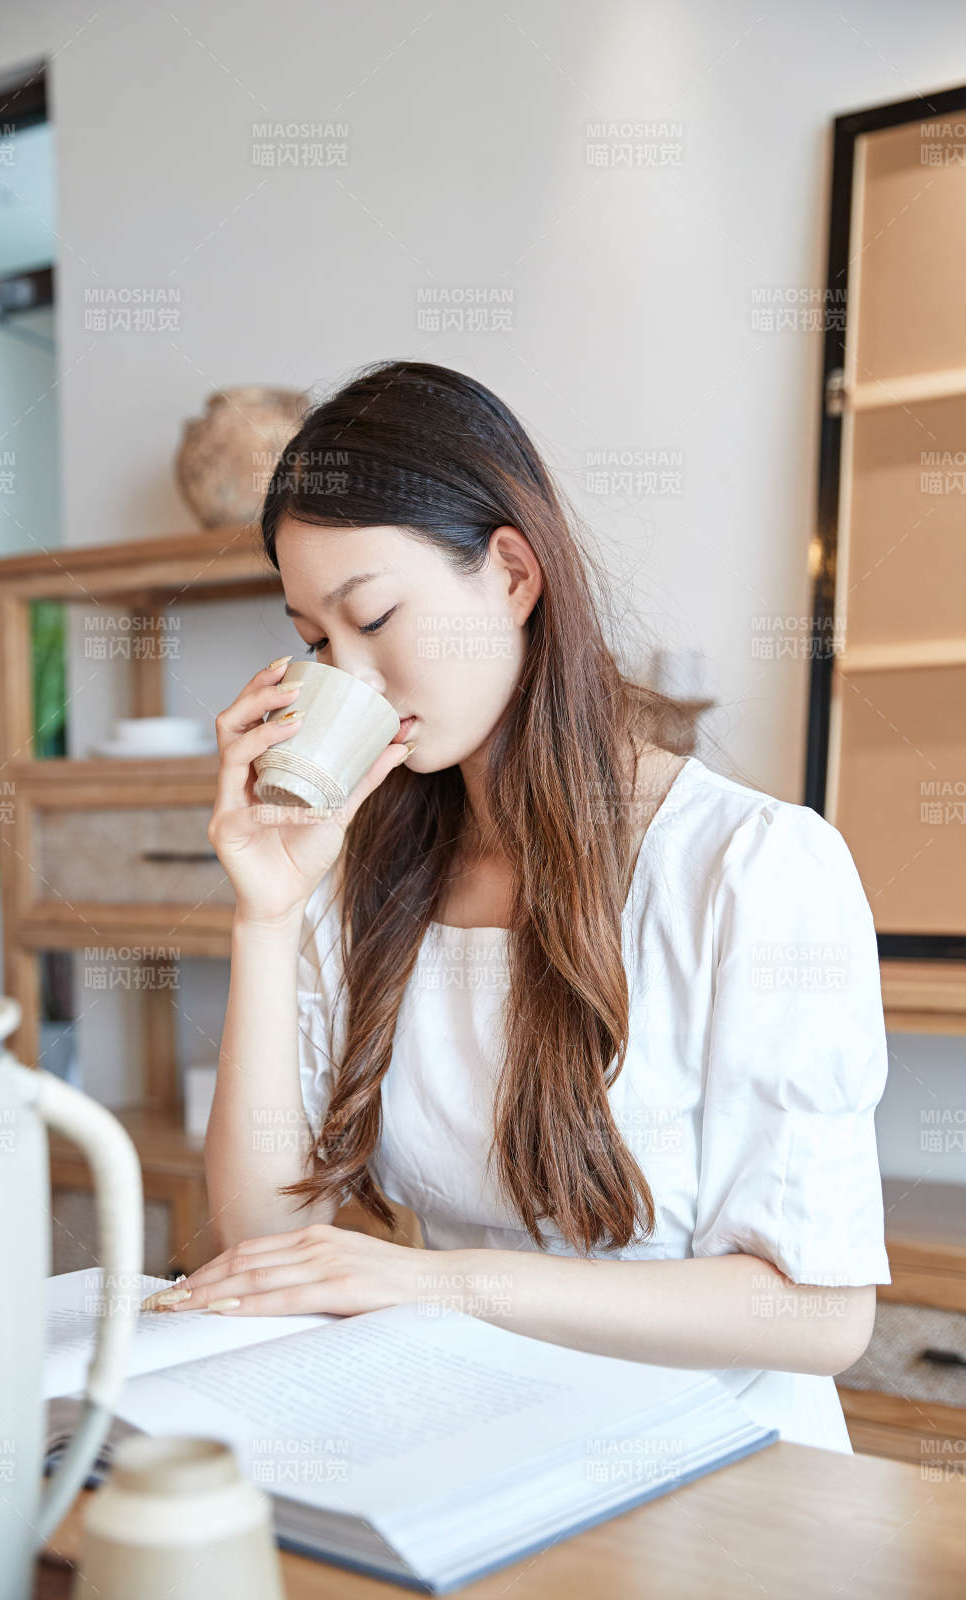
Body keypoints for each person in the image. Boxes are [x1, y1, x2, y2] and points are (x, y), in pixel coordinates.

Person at [153, 360, 890, 1457]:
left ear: (508, 575)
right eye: (315, 643)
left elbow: (817, 1311)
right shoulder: (358, 874)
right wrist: (265, 916)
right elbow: (267, 1241)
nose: (348, 679)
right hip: (469, 1443)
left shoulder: (750, 866)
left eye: (373, 617)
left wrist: (434, 1282)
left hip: (717, 1472)